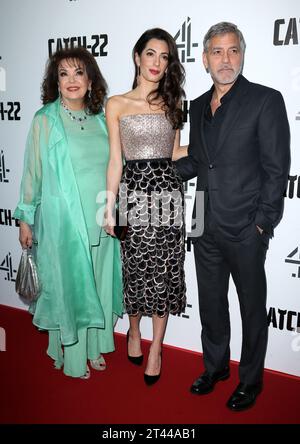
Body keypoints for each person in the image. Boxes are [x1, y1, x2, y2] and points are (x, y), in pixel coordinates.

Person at [176, 22, 290, 410]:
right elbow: (197, 162)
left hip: (246, 226)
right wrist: (152, 172)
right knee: (210, 303)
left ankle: (251, 381)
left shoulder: (265, 99)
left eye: (233, 51)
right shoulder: (195, 106)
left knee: (251, 307)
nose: (226, 60)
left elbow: (277, 169)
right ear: (205, 58)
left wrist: (263, 222)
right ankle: (216, 367)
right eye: (217, 52)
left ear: (242, 54)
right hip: (203, 220)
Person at [14, 47, 123, 379]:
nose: (72, 80)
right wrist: (24, 217)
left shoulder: (104, 119)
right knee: (72, 288)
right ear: (55, 82)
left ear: (90, 80)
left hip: (102, 218)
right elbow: (32, 172)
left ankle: (95, 346)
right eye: (64, 74)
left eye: (79, 73)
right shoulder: (44, 120)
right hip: (63, 224)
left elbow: (116, 167)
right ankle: (74, 357)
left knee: (100, 284)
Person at [104, 28, 187, 385]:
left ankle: (156, 348)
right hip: (132, 197)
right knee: (136, 270)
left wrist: (214, 149)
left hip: (168, 197)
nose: (156, 63)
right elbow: (115, 161)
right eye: (150, 54)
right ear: (137, 57)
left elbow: (173, 155)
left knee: (164, 273)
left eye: (164, 56)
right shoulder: (117, 104)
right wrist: (110, 208)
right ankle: (134, 332)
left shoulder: (174, 103)